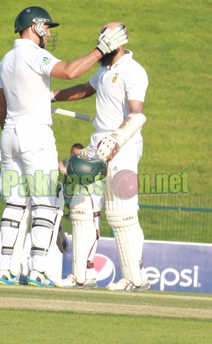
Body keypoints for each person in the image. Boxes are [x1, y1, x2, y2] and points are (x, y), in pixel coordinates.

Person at [0, 7, 129, 287]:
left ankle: (5, 269)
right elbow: (67, 72)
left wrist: (14, 131)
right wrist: (97, 51)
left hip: (9, 135)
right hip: (36, 136)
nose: (50, 33)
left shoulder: (5, 60)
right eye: (47, 27)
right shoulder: (35, 54)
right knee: (47, 203)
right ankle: (37, 270)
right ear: (36, 27)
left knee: (15, 204)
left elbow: (1, 105)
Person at [52, 23, 149, 291]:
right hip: (97, 143)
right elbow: (85, 88)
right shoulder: (104, 69)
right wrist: (50, 97)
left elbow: (137, 113)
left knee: (121, 211)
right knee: (82, 208)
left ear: (117, 43)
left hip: (123, 144)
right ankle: (83, 274)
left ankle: (134, 278)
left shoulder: (134, 71)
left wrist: (116, 139)